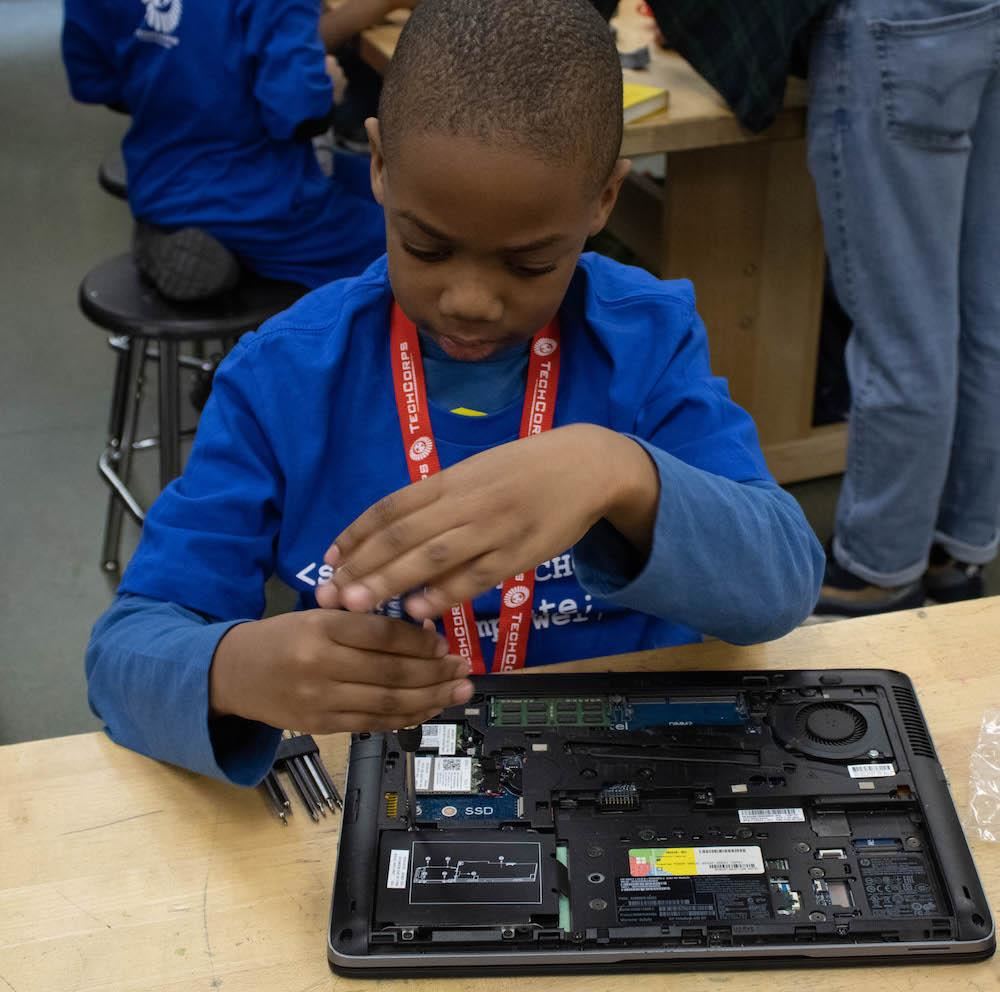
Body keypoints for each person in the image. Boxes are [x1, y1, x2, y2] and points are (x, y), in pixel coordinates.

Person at [85, 0, 824, 786]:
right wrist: (232, 668)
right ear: (377, 165)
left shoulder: (644, 343)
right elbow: (123, 655)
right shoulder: (284, 377)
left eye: (530, 263)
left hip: (620, 776)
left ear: (605, 199)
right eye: (426, 246)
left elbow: (779, 586)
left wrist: (620, 473)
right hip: (393, 783)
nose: (470, 299)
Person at [807, 0, 1000, 616]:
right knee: (985, 311)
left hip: (900, 22)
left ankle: (879, 567)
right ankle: (957, 548)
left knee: (905, 321)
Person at [61, 0, 407, 294]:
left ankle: (176, 228)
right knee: (422, 248)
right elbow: (297, 110)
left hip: (160, 172)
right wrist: (326, 85)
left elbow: (94, 81)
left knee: (390, 186)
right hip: (264, 199)